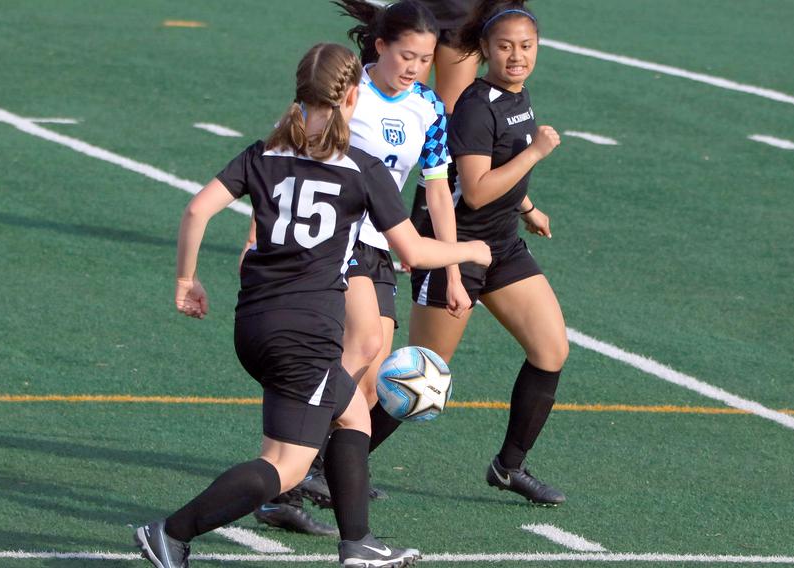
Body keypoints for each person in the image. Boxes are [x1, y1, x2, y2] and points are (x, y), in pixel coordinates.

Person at [132, 42, 491, 568]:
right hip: (305, 333)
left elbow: (196, 211)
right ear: (351, 95)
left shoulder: (261, 154)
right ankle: (171, 532)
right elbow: (412, 250)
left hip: (254, 324)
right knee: (286, 466)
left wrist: (187, 279)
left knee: (351, 418)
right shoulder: (361, 169)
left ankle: (358, 544)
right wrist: (471, 249)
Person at [371, 0, 572, 506]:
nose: (517, 56)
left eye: (526, 46)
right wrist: (537, 153)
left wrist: (527, 205)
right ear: (483, 51)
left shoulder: (517, 97)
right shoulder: (477, 106)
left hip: (501, 245)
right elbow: (476, 189)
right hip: (454, 250)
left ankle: (509, 466)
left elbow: (493, 177)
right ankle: (325, 466)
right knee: (419, 376)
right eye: (505, 47)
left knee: (551, 351)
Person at [409, 0, 481, 232]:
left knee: (447, 124)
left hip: (462, 14)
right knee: (402, 108)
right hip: (418, 11)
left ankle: (421, 231)